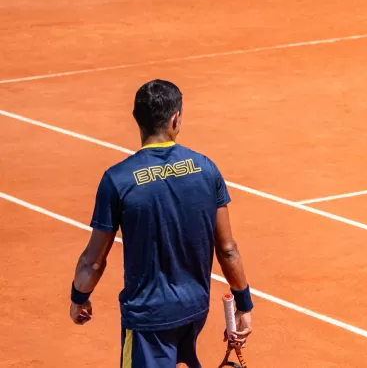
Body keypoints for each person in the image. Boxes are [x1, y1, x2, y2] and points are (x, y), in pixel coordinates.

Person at [68, 79, 254, 368]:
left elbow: (93, 261)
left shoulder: (117, 180)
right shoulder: (206, 168)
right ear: (175, 118)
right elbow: (228, 249)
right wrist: (244, 305)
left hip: (148, 319)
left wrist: (79, 297)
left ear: (136, 120)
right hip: (194, 311)